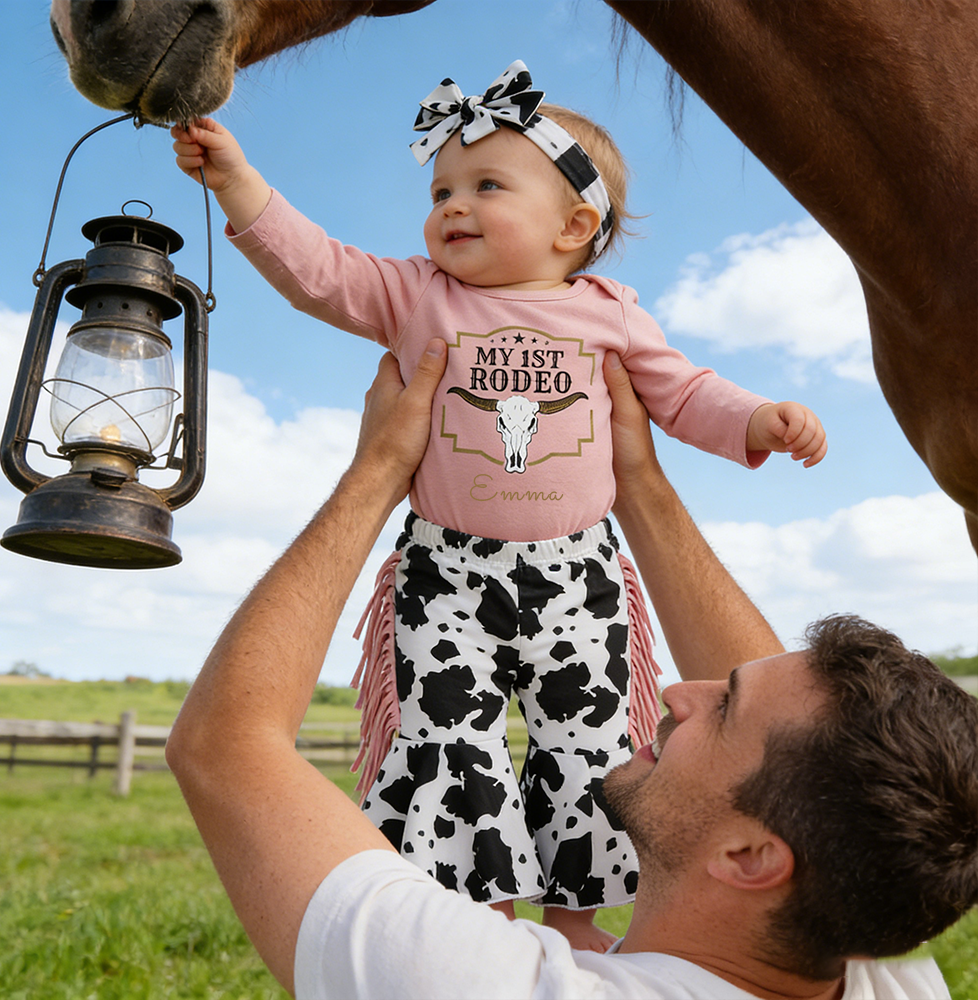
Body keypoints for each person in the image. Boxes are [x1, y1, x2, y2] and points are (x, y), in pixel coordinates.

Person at [171, 59, 829, 948]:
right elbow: (319, 269)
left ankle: (581, 924)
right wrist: (239, 181)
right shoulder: (417, 295)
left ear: (574, 226)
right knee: (447, 739)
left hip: (579, 572)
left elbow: (683, 392)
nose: (452, 205)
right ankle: (473, 919)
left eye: (486, 185)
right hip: (446, 570)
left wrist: (757, 419)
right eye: (441, 188)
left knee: (592, 746)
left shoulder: (612, 313)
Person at [165, 345, 976, 999]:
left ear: (752, 858)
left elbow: (225, 744)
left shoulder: (480, 984)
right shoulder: (875, 957)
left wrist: (378, 469)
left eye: (722, 711)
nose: (676, 691)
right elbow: (809, 755)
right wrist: (636, 482)